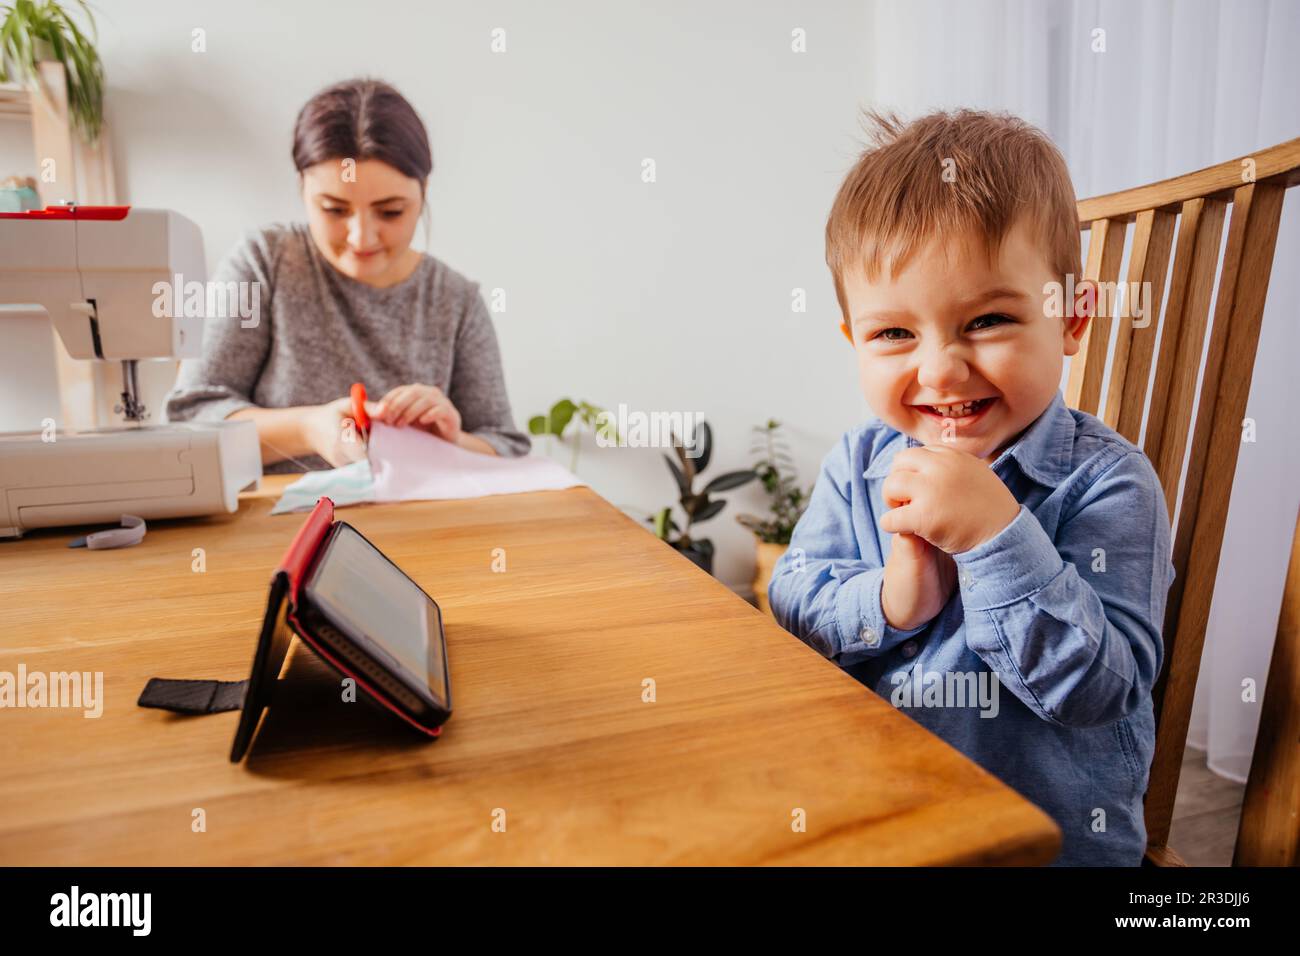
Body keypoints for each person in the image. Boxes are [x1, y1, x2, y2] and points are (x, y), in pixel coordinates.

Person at [768, 109, 1176, 866]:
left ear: (1072, 321)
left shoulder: (1109, 480)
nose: (941, 371)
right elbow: (792, 600)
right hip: (882, 826)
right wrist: (890, 603)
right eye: (894, 334)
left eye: (987, 319)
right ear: (854, 340)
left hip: (1047, 848)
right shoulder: (858, 464)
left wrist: (997, 540)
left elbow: (1100, 690)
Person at [164, 78, 530, 472]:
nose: (361, 238)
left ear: (423, 194)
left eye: (390, 212)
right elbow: (192, 417)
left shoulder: (456, 300)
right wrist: (307, 429)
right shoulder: (264, 263)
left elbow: (507, 447)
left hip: (419, 526)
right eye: (334, 210)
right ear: (303, 188)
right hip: (282, 528)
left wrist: (452, 442)